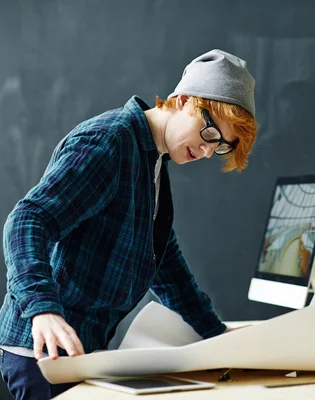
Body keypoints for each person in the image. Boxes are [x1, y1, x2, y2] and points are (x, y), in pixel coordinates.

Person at [0, 49, 258, 399]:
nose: (209, 151)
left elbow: (167, 266)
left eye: (221, 147)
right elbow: (28, 219)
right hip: (42, 350)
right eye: (210, 133)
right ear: (182, 100)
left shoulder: (152, 162)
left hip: (80, 353)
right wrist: (41, 308)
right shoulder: (110, 143)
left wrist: (218, 336)